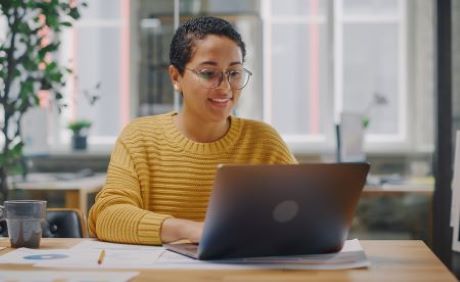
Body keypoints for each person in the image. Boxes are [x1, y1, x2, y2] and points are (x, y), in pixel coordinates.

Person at [88, 16, 297, 245]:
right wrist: (191, 230)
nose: (225, 87)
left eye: (234, 73)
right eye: (209, 73)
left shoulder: (263, 141)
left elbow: (305, 212)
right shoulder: (139, 137)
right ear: (176, 77)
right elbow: (108, 216)